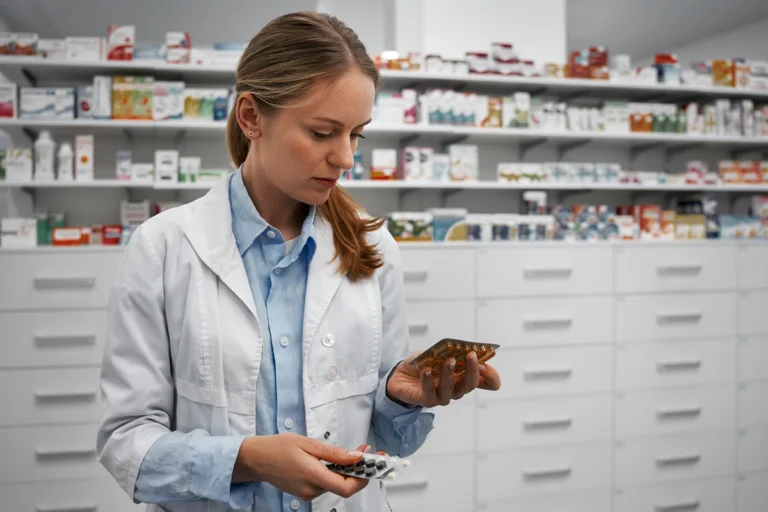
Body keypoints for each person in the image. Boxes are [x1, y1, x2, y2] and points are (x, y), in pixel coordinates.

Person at [96, 11, 501, 512]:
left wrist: (401, 400)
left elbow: (390, 443)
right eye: (322, 132)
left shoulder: (373, 249)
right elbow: (126, 442)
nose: (346, 157)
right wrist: (248, 459)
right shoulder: (163, 248)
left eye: (357, 134)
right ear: (251, 117)